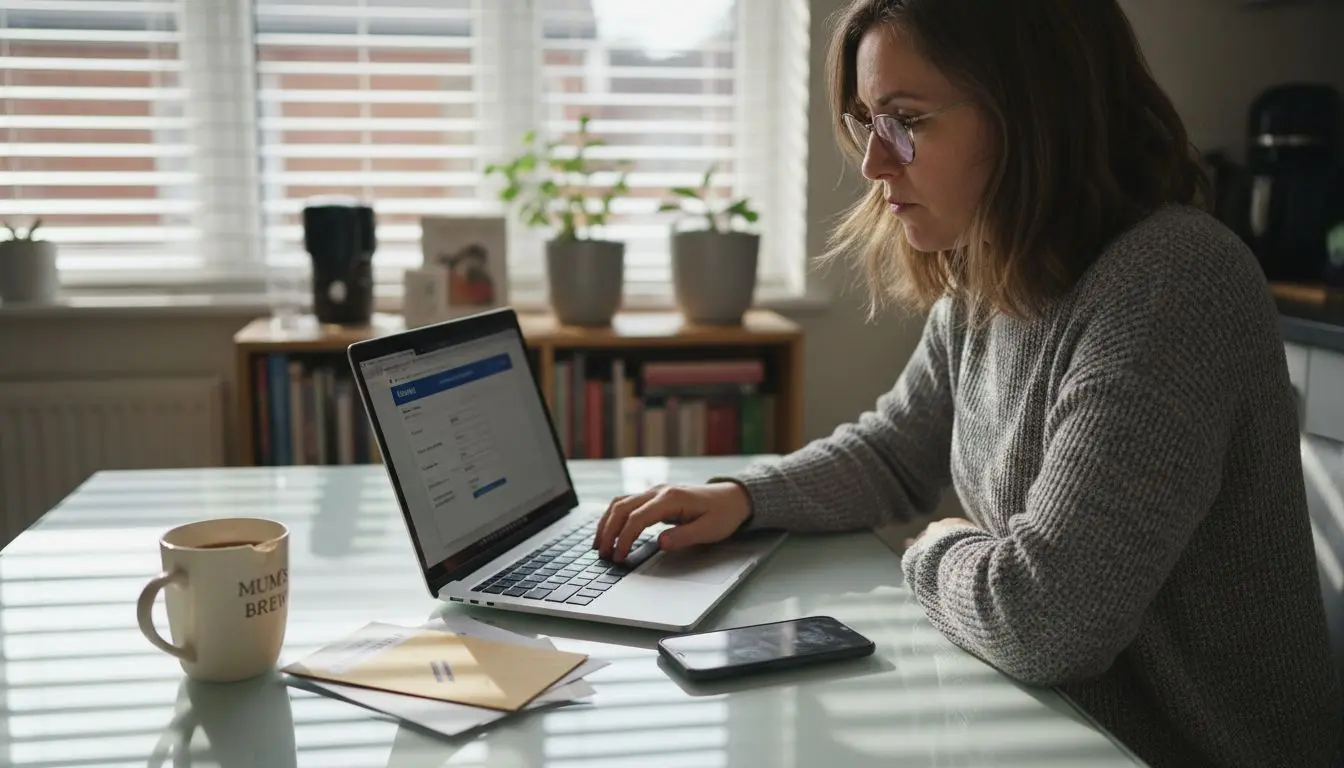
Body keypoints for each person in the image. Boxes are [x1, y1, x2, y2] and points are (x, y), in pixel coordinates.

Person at [592, 0, 1343, 766]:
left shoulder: (1171, 283)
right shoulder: (993, 271)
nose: (873, 163)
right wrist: (744, 497)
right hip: (1054, 730)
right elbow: (894, 452)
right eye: (868, 121)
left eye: (907, 121)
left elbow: (1045, 623)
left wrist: (938, 546)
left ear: (1035, 109)